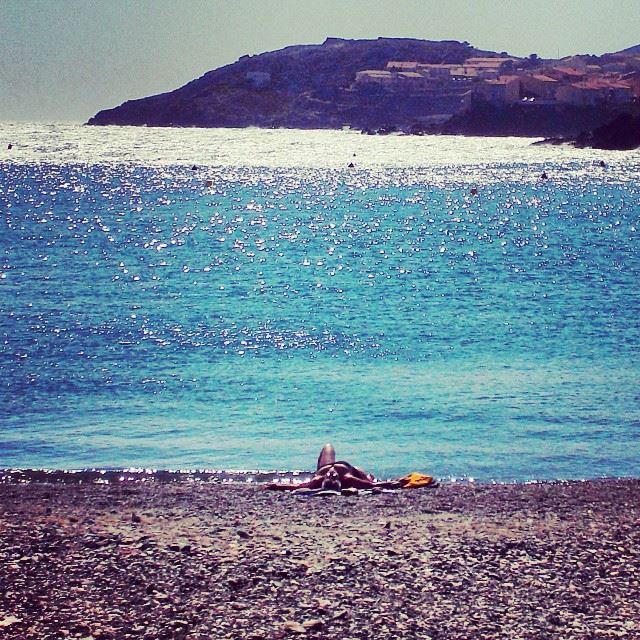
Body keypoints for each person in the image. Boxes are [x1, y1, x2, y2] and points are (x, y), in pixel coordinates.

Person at [265, 443, 401, 491]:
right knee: (369, 478)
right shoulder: (348, 478)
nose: (331, 472)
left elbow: (296, 487)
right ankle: (367, 475)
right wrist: (392, 484)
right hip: (350, 469)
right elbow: (371, 486)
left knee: (328, 447)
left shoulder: (318, 480)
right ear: (339, 480)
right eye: (333, 475)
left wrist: (275, 486)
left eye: (329, 475)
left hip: (324, 465)